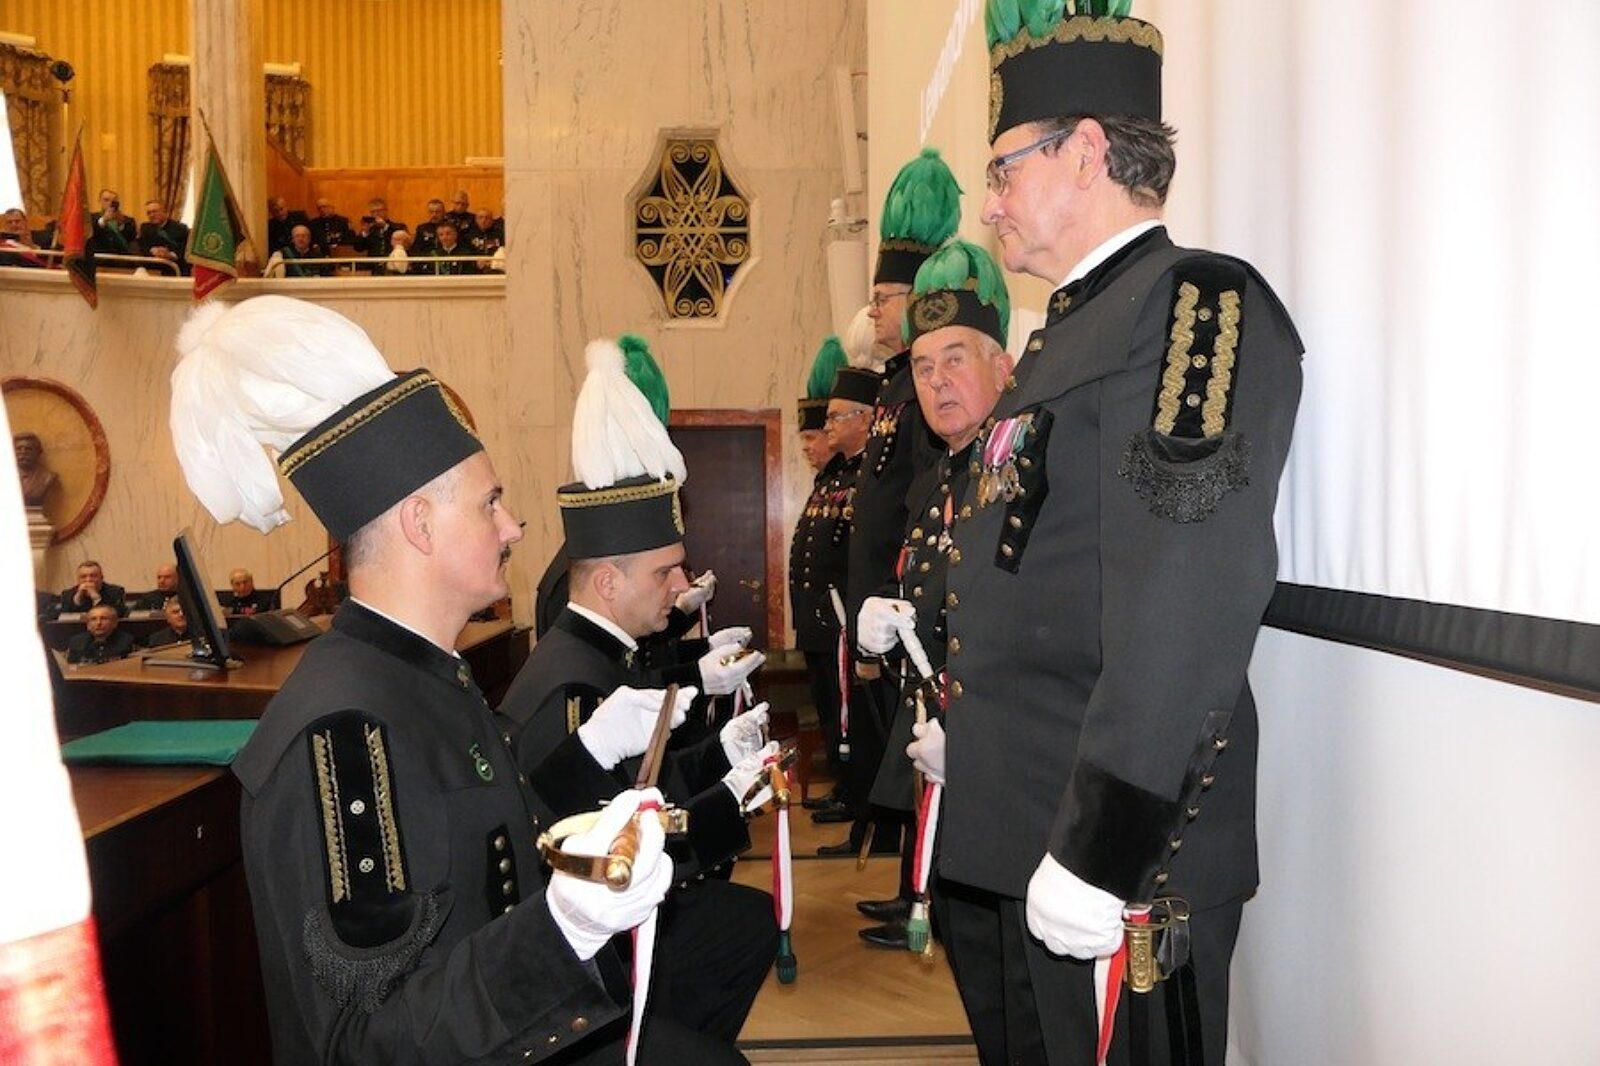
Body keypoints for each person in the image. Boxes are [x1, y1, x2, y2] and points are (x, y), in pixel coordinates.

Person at [169, 294, 745, 1064]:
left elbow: (500, 833)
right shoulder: (345, 735)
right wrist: (561, 931)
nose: (512, 528)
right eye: (490, 503)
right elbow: (364, 1041)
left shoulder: (429, 674)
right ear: (420, 523)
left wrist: (598, 782)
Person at [931, 8, 1306, 1063]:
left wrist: (1102, 847)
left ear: (1086, 151)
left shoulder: (1193, 306)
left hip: (1125, 861)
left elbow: (1188, 592)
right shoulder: (1068, 329)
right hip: (1027, 830)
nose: (990, 203)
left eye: (1003, 170)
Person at [498, 335, 774, 1049]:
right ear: (607, 582)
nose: (681, 587)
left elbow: (642, 783)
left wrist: (721, 757)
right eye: (665, 573)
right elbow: (615, 851)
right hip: (585, 948)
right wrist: (728, 802)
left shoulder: (598, 654)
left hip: (609, 912)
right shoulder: (573, 686)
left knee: (747, 924)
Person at [853, 240, 1014, 950]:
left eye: (955, 360)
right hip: (938, 740)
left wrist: (974, 741)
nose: (937, 382)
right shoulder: (940, 477)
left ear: (1002, 367)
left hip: (993, 755)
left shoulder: (1015, 474)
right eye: (922, 367)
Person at [833, 150, 962, 919]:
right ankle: (910, 886)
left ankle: (924, 893)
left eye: (885, 298)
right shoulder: (891, 388)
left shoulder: (920, 394)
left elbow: (921, 502)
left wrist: (893, 591)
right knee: (904, 749)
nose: (875, 311)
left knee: (918, 746)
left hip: (904, 601)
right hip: (882, 606)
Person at [810, 363, 885, 858]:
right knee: (836, 716)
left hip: (852, 618)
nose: (828, 426)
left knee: (857, 724)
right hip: (830, 618)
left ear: (865, 418)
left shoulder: (867, 477)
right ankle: (853, 798)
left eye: (838, 416)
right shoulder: (837, 475)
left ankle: (865, 813)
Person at [786, 336, 848, 816]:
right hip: (817, 629)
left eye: (813, 436)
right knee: (829, 710)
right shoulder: (825, 485)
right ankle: (844, 787)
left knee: (842, 715)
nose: (808, 446)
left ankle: (849, 789)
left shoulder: (849, 483)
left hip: (836, 627)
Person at [65, 604, 136, 663]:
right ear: (88, 625)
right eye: (93, 619)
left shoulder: (127, 642)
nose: (98, 623)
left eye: (104, 618)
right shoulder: (76, 642)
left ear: (115, 623)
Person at [137, 199, 190, 275]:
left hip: (175, 268)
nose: (151, 215)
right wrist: (153, 250)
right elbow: (142, 246)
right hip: (153, 268)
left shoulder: (180, 228)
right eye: (149, 213)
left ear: (164, 212)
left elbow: (184, 251)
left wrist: (169, 255)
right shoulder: (145, 227)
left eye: (155, 211)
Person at [355, 199, 407, 274]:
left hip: (392, 266)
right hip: (373, 267)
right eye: (373, 212)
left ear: (386, 211)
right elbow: (358, 248)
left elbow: (402, 240)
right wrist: (365, 232)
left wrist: (385, 226)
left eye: (379, 211)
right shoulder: (371, 230)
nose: (376, 214)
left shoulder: (398, 226)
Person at [58, 561, 126, 616]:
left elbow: (116, 615)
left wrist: (96, 598)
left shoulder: (116, 592)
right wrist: (78, 598)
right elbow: (64, 617)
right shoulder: (67, 594)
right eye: (83, 577)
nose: (88, 580)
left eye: (93, 576)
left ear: (101, 577)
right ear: (78, 579)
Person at [88, 190, 136, 259]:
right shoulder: (91, 218)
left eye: (113, 201)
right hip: (99, 258)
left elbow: (131, 239)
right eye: (106, 200)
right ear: (99, 201)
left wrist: (121, 224)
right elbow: (91, 233)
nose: (109, 203)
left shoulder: (128, 221)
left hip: (121, 259)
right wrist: (104, 220)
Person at [13, 432, 56, 506]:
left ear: (38, 452)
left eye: (28, 449)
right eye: (18, 449)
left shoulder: (47, 477)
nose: (23, 452)